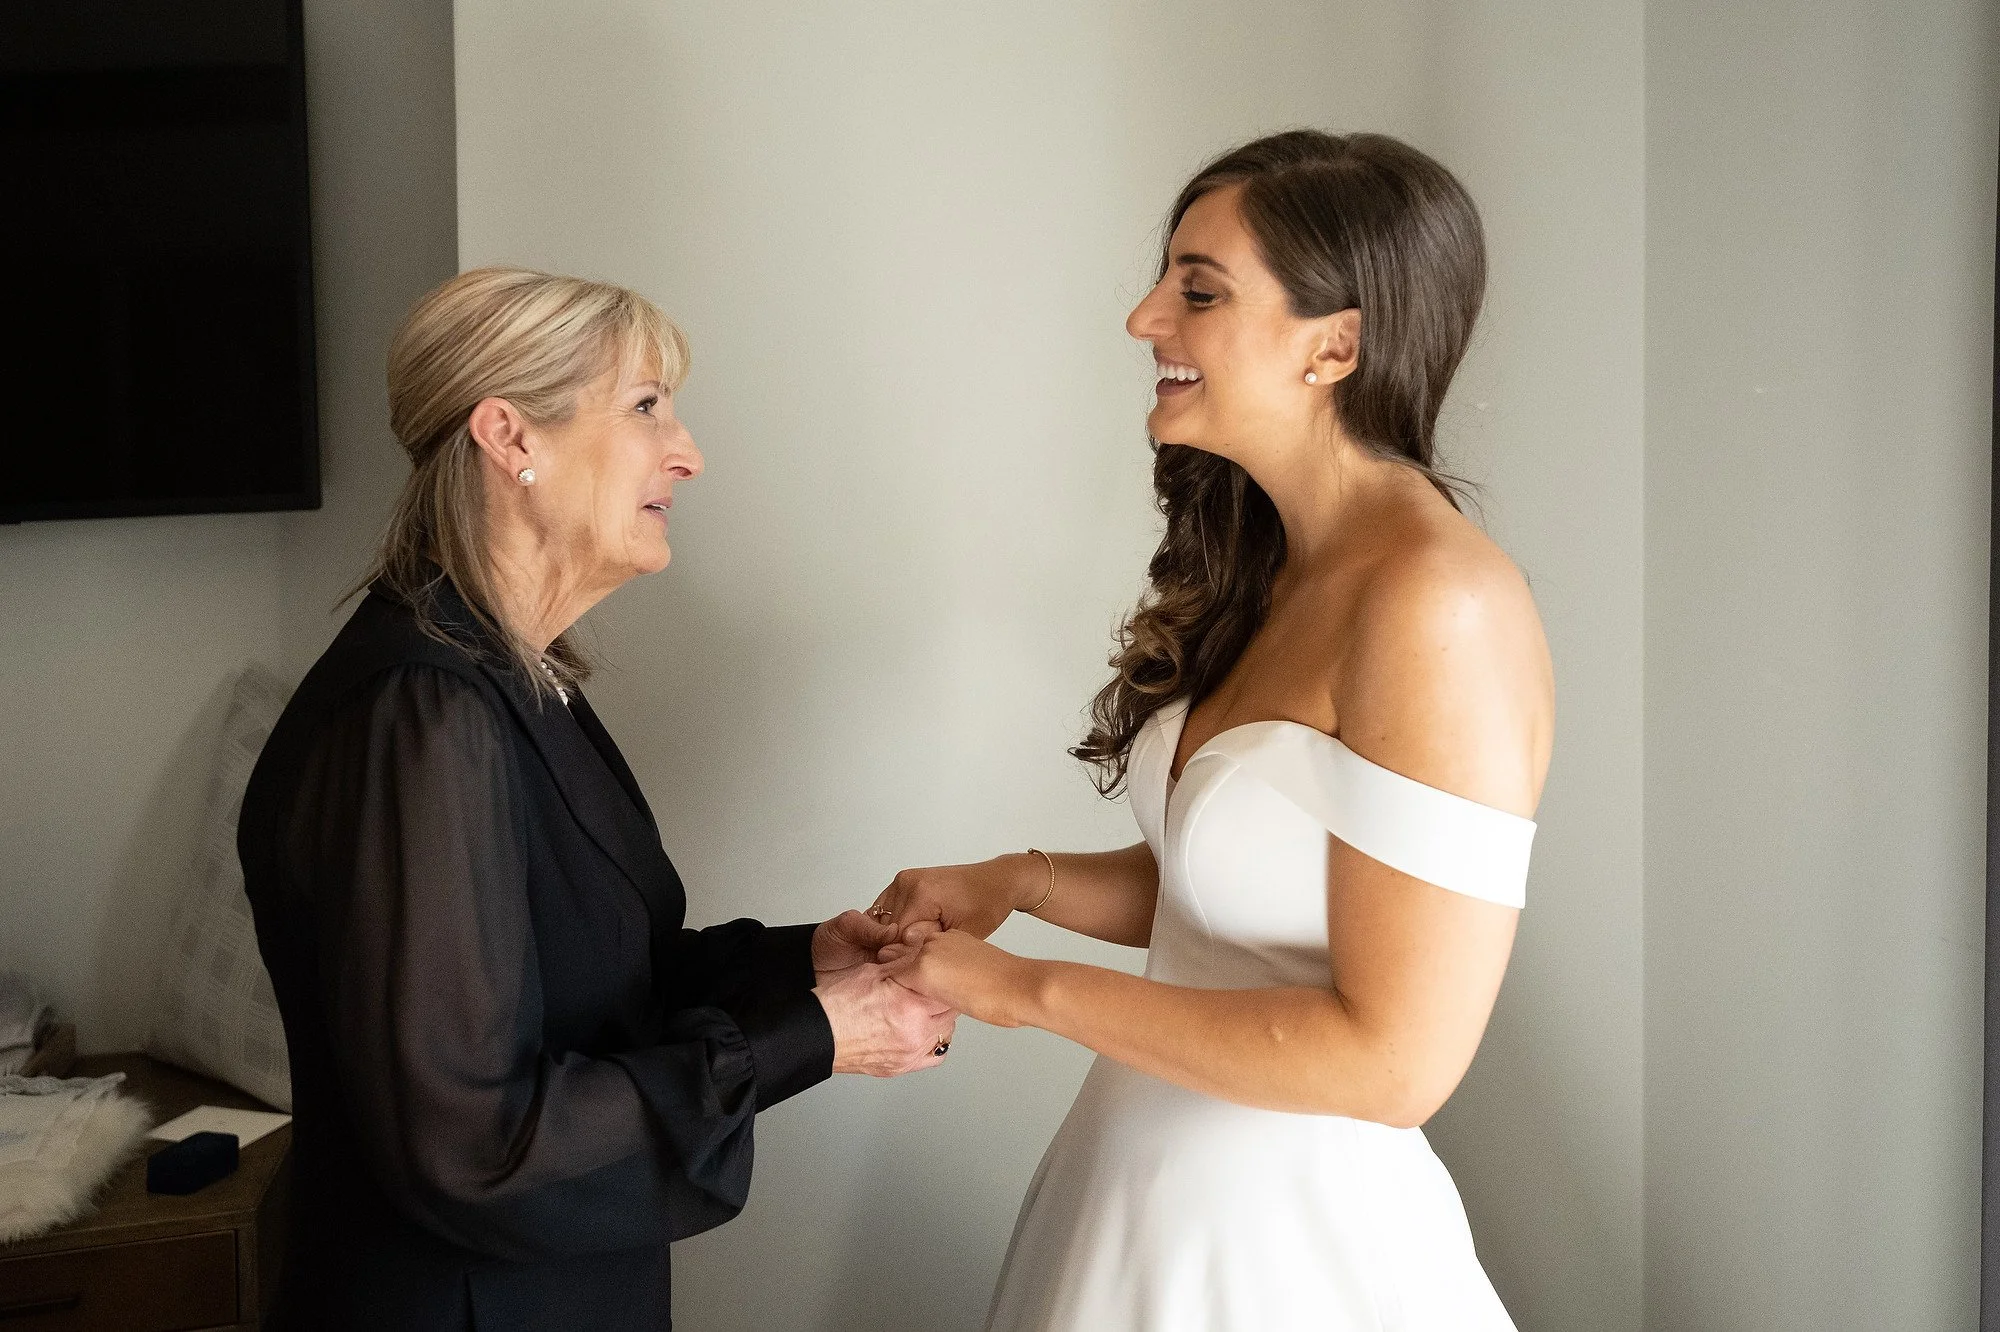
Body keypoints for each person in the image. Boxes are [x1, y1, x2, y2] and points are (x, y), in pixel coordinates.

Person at [870, 130, 1552, 1330]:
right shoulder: (1277, 567)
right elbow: (1238, 889)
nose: (1143, 319)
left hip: (1288, 1254)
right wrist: (1015, 881)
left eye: (1196, 290)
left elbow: (1397, 1065)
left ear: (1334, 343)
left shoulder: (1440, 606)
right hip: (1131, 1193)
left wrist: (1021, 989)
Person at [238, 267, 954, 1332]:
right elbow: (474, 1140)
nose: (688, 452)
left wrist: (808, 966)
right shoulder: (421, 715)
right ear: (509, 437)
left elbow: (594, 982)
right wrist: (809, 1036)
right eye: (645, 405)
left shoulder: (511, 684)